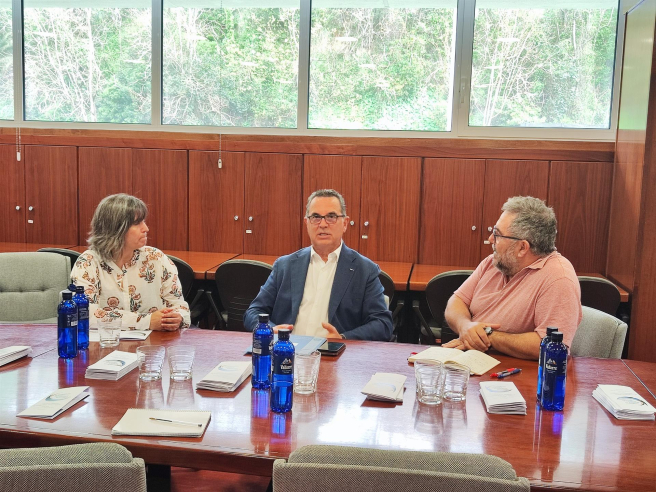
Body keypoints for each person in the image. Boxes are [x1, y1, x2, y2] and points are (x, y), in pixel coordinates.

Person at [443, 196, 581, 360]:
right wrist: (465, 326)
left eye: (497, 234)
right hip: (473, 359)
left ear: (522, 247)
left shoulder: (559, 278)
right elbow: (457, 301)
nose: (490, 239)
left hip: (516, 370)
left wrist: (487, 336)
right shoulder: (494, 262)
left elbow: (550, 345)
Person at [244, 189, 393, 341]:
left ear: (345, 223)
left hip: (335, 353)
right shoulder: (284, 266)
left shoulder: (364, 270)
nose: (323, 224)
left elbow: (383, 324)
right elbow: (253, 312)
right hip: (287, 350)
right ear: (307, 223)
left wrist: (343, 338)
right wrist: (268, 330)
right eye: (315, 217)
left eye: (331, 217)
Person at [71, 194, 190, 331]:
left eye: (143, 221)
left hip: (155, 342)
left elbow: (180, 307)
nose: (146, 228)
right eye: (137, 223)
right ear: (115, 228)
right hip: (107, 341)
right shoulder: (88, 263)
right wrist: (147, 322)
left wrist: (178, 318)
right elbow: (85, 315)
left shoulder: (156, 258)